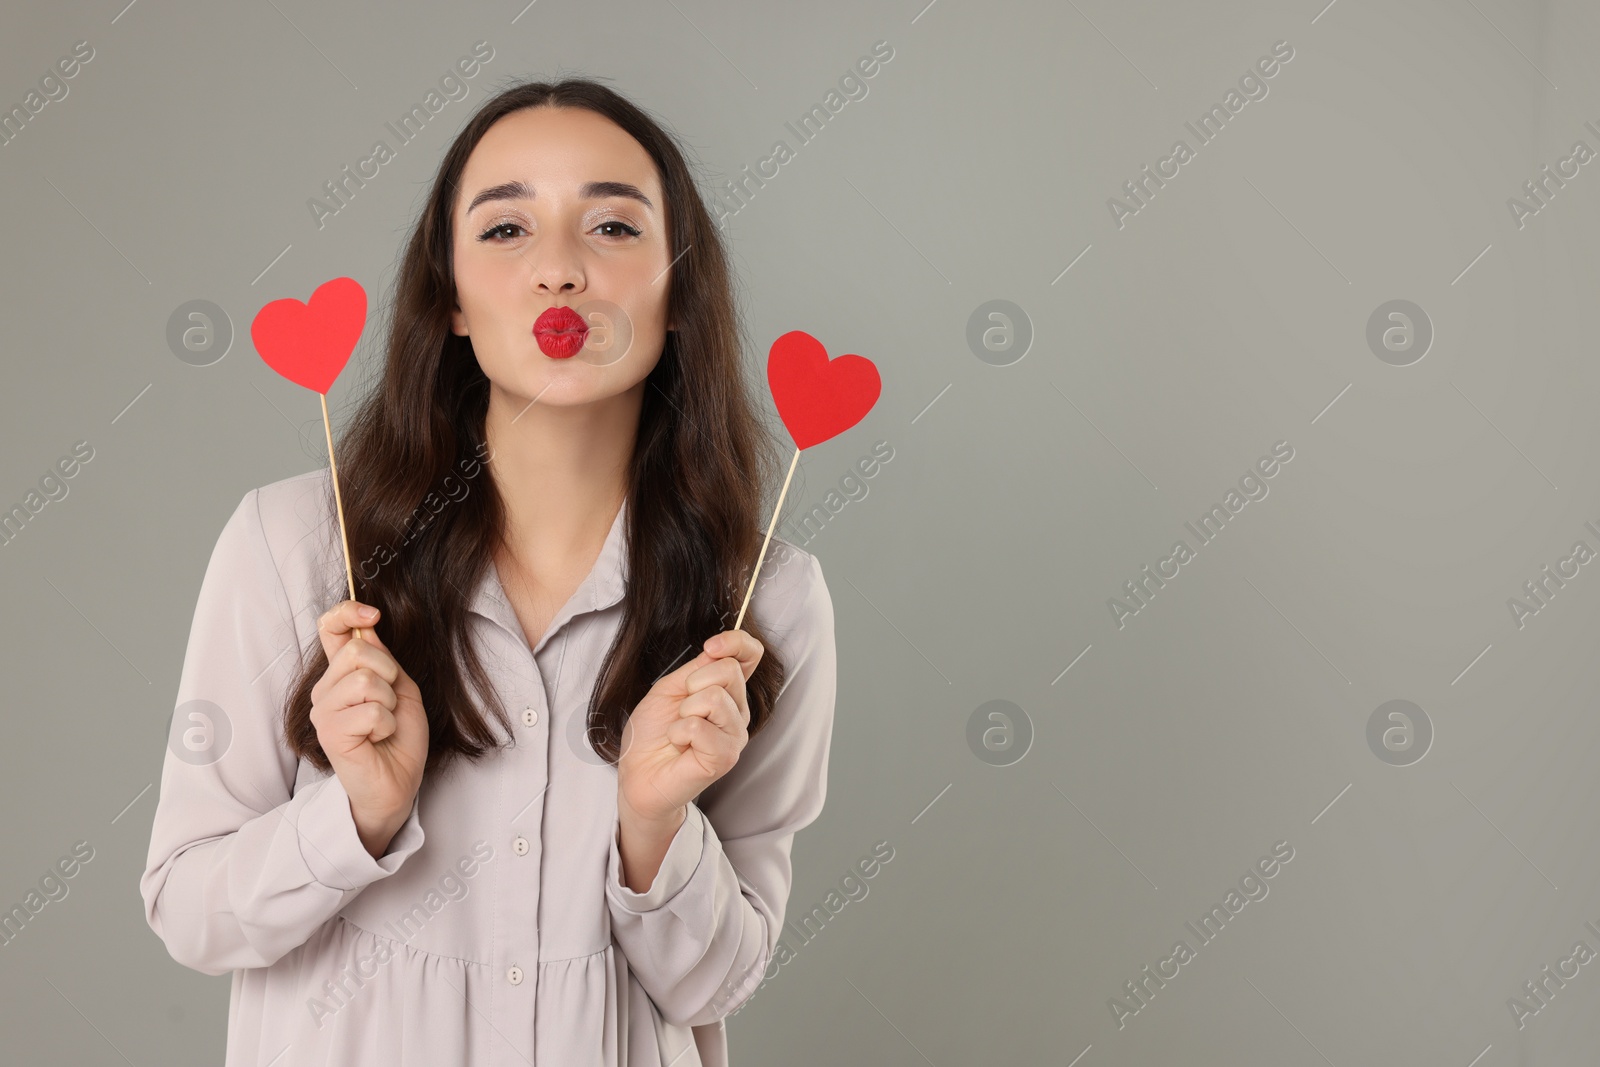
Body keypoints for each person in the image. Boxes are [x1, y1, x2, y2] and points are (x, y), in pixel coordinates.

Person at [140, 77, 837, 1067]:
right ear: (451, 300)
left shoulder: (765, 598)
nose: (560, 270)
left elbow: (714, 983)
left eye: (612, 226)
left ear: (679, 291)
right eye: (507, 230)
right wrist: (356, 815)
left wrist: (653, 821)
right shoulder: (292, 544)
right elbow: (190, 911)